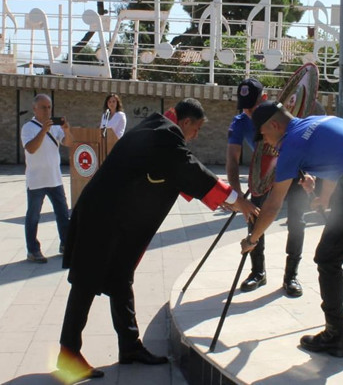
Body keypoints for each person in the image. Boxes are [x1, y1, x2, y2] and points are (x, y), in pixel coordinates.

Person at [57, 98, 258, 383]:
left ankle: (129, 346)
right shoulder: (166, 136)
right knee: (86, 283)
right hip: (101, 219)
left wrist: (217, 200)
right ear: (185, 122)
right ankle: (68, 354)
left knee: (120, 278)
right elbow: (188, 170)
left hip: (111, 216)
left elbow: (170, 173)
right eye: (197, 128)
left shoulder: (156, 127)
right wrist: (236, 200)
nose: (196, 135)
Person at [241, 101, 343, 358]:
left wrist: (252, 238)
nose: (265, 142)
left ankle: (334, 335)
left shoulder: (291, 143)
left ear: (274, 125)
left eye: (263, 135)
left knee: (328, 258)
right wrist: (325, 197)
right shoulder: (321, 121)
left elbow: (273, 205)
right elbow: (340, 158)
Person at [227, 78, 306, 297]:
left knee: (297, 223)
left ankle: (291, 275)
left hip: (292, 173)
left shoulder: (281, 114)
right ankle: (257, 272)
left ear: (264, 98)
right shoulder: (240, 122)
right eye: (244, 107)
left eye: (252, 107)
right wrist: (238, 197)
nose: (249, 112)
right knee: (254, 218)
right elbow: (232, 160)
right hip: (261, 176)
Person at [20, 94, 74, 264]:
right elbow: (31, 149)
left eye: (49, 107)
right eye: (43, 107)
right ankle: (33, 250)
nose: (47, 110)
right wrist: (43, 130)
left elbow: (69, 143)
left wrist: (66, 130)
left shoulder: (55, 127)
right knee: (33, 216)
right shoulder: (28, 128)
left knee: (63, 214)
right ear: (35, 109)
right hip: (36, 180)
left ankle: (66, 245)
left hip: (54, 179)